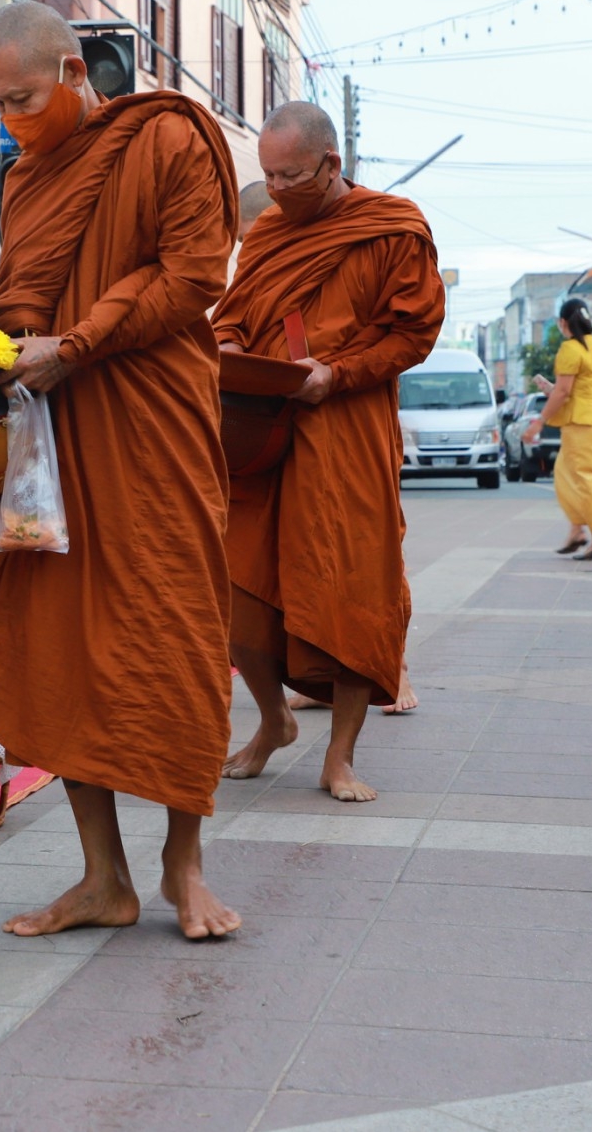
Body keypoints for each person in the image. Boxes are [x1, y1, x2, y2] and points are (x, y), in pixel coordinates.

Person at [0, 0, 240, 939]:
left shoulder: (168, 138)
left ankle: (183, 864)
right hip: (53, 435)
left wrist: (77, 345)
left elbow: (195, 274)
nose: (12, 122)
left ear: (77, 72)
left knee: (173, 631)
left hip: (151, 418)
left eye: (26, 98)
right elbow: (22, 295)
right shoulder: (25, 178)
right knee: (60, 647)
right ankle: (101, 877)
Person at [212, 102, 444, 798]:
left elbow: (414, 333)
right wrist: (225, 347)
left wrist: (336, 373)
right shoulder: (266, 235)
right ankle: (273, 719)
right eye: (268, 176)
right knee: (235, 584)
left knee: (351, 586)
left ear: (331, 165)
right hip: (262, 430)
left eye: (291, 176)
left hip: (347, 425)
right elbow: (231, 312)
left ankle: (339, 754)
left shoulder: (393, 227)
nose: (277, 190)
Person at [529, 297, 592, 562]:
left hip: (582, 422)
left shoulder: (570, 348)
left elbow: (565, 392)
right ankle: (578, 530)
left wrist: (539, 421)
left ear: (563, 322)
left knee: (584, 477)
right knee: (564, 474)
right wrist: (553, 390)